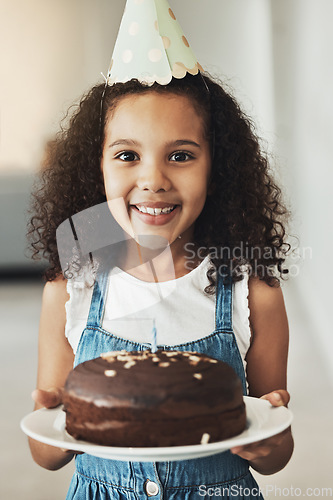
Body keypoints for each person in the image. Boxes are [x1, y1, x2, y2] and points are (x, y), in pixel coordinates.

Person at [27, 71, 293, 499]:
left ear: (217, 167)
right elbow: (46, 451)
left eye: (181, 156)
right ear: (96, 167)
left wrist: (271, 442)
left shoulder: (252, 291)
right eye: (127, 156)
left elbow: (276, 452)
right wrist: (48, 417)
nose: (154, 180)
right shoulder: (71, 287)